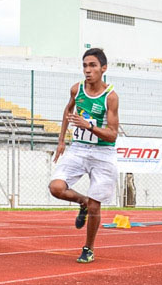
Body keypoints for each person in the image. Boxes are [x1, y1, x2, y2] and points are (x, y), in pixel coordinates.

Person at [48, 48, 120, 263]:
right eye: (85, 66)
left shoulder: (111, 97)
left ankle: (88, 248)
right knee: (56, 188)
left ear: (103, 69)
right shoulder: (76, 89)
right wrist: (61, 141)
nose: (88, 71)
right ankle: (82, 202)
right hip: (78, 149)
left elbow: (113, 134)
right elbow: (67, 111)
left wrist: (89, 126)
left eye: (93, 66)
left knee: (96, 204)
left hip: (103, 153)